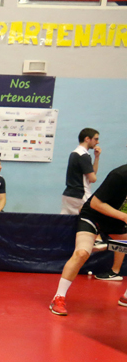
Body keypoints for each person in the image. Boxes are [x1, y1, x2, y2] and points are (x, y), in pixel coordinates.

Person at [49, 163, 127, 315]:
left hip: (115, 222)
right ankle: (58, 298)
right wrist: (124, 217)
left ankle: (126, 297)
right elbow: (95, 203)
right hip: (93, 217)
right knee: (82, 253)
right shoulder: (120, 175)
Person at [61, 128, 100, 215]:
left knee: (65, 220)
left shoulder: (74, 153)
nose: (97, 142)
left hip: (68, 194)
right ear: (87, 139)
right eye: (96, 139)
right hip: (80, 195)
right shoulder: (83, 155)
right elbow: (92, 179)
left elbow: (91, 174)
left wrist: (96, 157)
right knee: (88, 218)